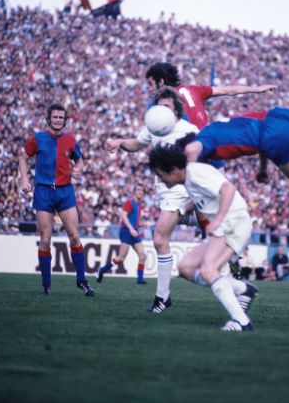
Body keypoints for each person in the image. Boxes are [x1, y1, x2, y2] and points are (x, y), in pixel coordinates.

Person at [105, 89, 200, 313]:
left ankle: (162, 297)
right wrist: (119, 142)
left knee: (159, 240)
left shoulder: (189, 130)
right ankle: (219, 220)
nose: (162, 111)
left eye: (166, 106)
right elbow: (136, 144)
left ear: (176, 109)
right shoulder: (153, 128)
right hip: (165, 192)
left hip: (181, 191)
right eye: (159, 107)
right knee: (199, 222)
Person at [148, 143, 259, 332]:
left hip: (233, 222)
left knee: (208, 270)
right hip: (227, 224)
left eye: (161, 175)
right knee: (186, 268)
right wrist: (184, 210)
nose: (160, 180)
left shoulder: (195, 173)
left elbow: (228, 189)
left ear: (174, 170)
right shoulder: (188, 179)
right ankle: (242, 290)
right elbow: (203, 199)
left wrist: (219, 220)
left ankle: (242, 321)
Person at [19, 103, 95, 297]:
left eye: (61, 118)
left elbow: (79, 159)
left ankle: (82, 281)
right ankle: (46, 286)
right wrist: (25, 179)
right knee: (45, 239)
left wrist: (78, 167)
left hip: (65, 191)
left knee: (75, 236)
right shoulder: (38, 138)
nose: (58, 120)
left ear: (65, 120)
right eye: (55, 117)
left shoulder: (70, 139)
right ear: (49, 118)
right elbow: (22, 156)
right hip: (43, 191)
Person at [144, 61, 277, 129]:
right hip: (208, 140)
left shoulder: (161, 101)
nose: (149, 89)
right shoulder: (194, 89)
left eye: (150, 84)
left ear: (161, 82)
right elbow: (228, 90)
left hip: (188, 146)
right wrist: (256, 89)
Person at [97, 183, 149, 285]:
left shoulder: (138, 204)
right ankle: (102, 270)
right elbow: (123, 215)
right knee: (121, 258)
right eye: (138, 189)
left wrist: (142, 225)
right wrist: (131, 229)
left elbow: (134, 221)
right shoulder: (130, 202)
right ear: (134, 191)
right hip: (126, 231)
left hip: (133, 231)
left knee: (143, 255)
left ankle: (140, 279)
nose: (140, 191)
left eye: (142, 190)